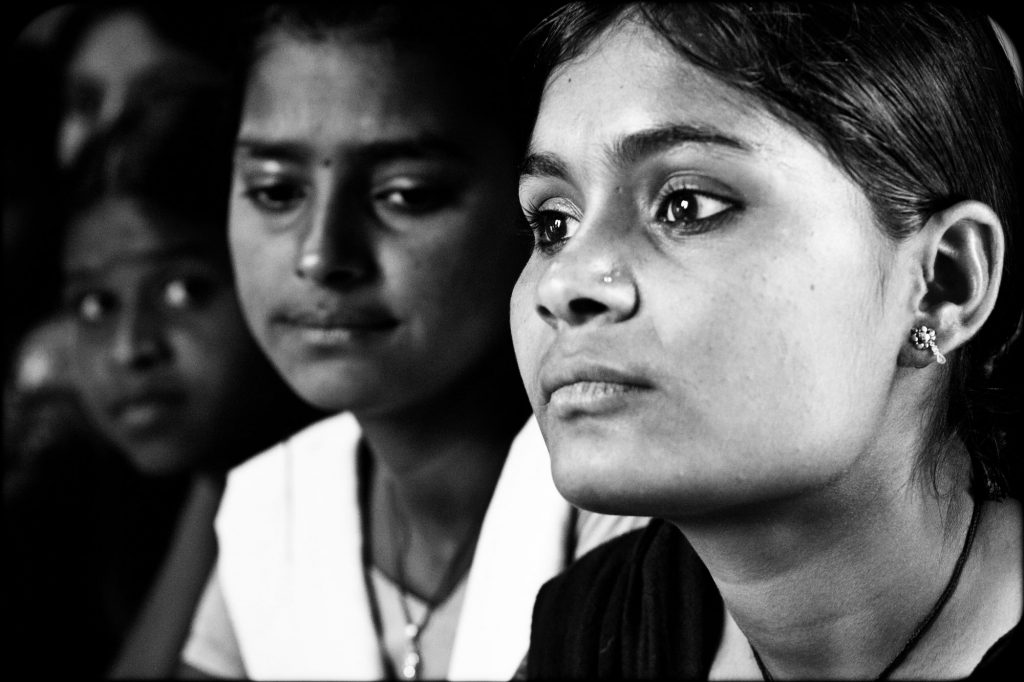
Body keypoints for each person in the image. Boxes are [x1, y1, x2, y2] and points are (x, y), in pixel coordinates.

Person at [510, 1, 1022, 678]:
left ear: (942, 285)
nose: (563, 281)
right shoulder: (593, 628)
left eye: (687, 204)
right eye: (552, 223)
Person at [179, 2, 645, 679]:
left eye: (406, 193)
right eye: (276, 191)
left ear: (543, 206)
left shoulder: (629, 503)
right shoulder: (273, 511)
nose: (320, 254)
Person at [4, 83, 321, 678]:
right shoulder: (74, 507)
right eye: (94, 304)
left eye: (185, 291)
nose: (131, 349)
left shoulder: (335, 492)